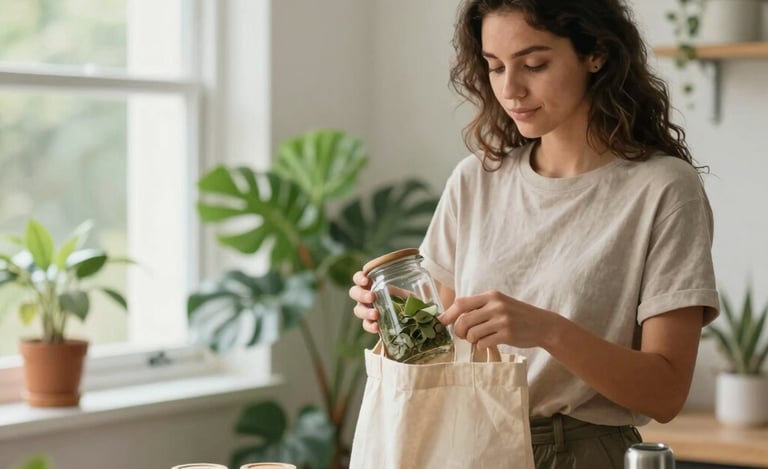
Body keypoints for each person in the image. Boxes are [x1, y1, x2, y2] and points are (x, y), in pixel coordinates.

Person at [349, 0, 719, 468]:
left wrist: (547, 330)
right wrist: (396, 313)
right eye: (495, 67)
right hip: (465, 445)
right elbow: (443, 346)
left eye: (534, 65)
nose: (510, 89)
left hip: (582, 453)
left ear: (596, 54)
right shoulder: (475, 180)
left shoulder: (663, 189)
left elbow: (666, 394)